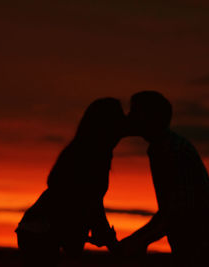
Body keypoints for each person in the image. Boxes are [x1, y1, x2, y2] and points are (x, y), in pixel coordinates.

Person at [118, 91, 209, 266]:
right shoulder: (166, 146)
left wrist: (138, 240)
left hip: (206, 243)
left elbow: (175, 209)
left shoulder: (169, 150)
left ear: (152, 117)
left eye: (136, 112)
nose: (130, 117)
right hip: (205, 241)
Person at [15, 98, 125, 266]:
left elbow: (90, 202)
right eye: (116, 122)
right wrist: (111, 242)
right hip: (42, 231)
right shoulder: (90, 154)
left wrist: (103, 235)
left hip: (38, 230)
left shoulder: (88, 150)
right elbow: (89, 201)